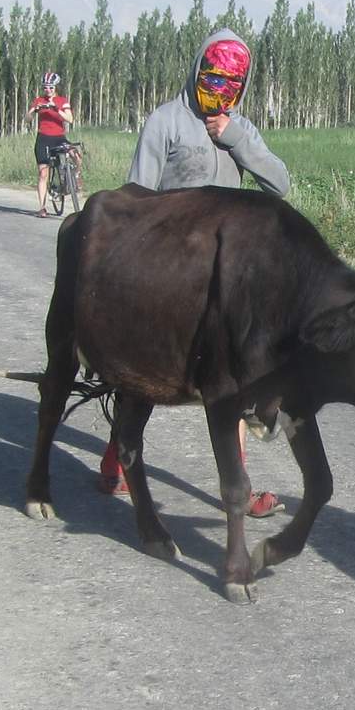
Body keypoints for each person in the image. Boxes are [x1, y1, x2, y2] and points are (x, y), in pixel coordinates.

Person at [105, 29, 293, 517]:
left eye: (232, 83)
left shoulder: (239, 129)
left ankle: (241, 487)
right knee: (146, 375)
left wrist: (233, 138)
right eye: (213, 78)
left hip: (221, 274)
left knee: (233, 379)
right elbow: (134, 199)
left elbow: (280, 182)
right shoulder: (165, 121)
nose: (220, 90)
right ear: (197, 71)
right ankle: (117, 459)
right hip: (168, 272)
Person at [30, 72, 75, 217]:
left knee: (76, 153)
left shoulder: (62, 100)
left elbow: (70, 119)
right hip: (43, 138)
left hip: (59, 137)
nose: (47, 90)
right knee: (43, 173)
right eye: (45, 87)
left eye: (50, 87)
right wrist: (35, 110)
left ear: (55, 87)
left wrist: (56, 109)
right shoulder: (39, 100)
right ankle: (42, 207)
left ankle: (76, 177)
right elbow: (27, 118)